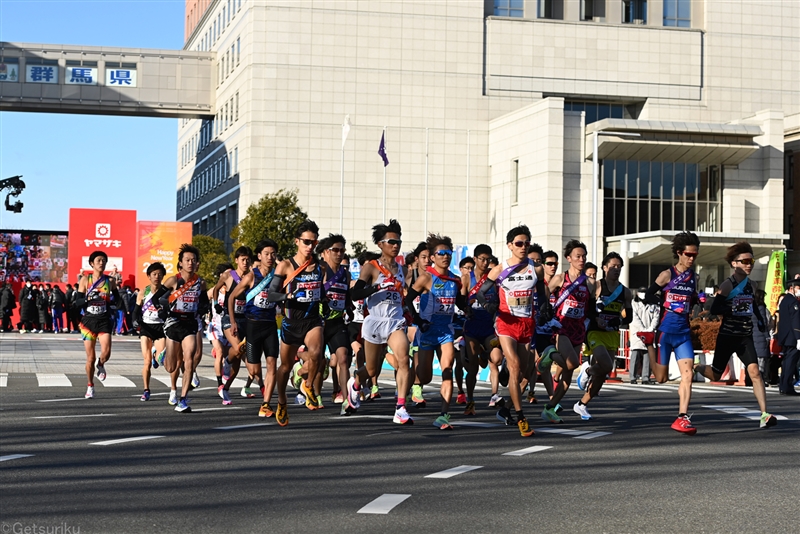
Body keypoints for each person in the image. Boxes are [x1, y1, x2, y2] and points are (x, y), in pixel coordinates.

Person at [475, 225, 548, 437]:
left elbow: (541, 293)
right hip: (506, 322)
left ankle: (506, 407)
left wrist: (544, 309)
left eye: (527, 243)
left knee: (525, 373)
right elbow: (481, 294)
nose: (523, 247)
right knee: (516, 367)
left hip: (527, 323)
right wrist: (490, 307)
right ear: (510, 246)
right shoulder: (499, 269)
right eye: (519, 243)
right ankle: (521, 417)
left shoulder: (536, 268)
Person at [350, 219, 414, 425]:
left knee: (404, 360)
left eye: (398, 242)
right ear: (380, 244)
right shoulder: (371, 267)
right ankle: (356, 384)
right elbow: (355, 293)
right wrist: (376, 288)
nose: (395, 246)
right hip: (375, 321)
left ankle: (401, 408)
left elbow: (407, 296)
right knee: (372, 370)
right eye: (391, 242)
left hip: (395, 321)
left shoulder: (404, 271)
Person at [405, 233, 472, 430]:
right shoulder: (426, 278)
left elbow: (459, 302)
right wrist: (418, 321)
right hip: (427, 331)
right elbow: (409, 300)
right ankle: (408, 390)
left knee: (447, 370)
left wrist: (467, 308)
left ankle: (444, 415)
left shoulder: (455, 279)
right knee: (424, 377)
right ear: (432, 257)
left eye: (448, 253)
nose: (445, 256)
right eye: (441, 253)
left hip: (446, 330)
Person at [268, 220, 327, 425]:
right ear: (297, 242)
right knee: (285, 366)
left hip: (312, 320)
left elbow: (321, 291)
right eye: (306, 242)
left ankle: (308, 385)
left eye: (313, 242)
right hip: (291, 322)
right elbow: (271, 294)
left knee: (317, 353)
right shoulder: (286, 265)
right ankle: (282, 401)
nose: (310, 246)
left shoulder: (319, 267)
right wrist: (288, 297)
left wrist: (325, 302)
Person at [645, 231, 701, 434]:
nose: (692, 259)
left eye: (695, 255)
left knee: (688, 375)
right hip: (665, 332)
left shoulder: (694, 276)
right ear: (679, 253)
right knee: (661, 379)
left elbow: (692, 297)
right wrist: (666, 302)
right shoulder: (667, 275)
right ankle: (649, 344)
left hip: (683, 333)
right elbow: (648, 295)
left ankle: (682, 417)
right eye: (688, 255)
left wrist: (698, 301)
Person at [538, 240, 595, 424]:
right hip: (561, 327)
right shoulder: (561, 278)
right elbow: (544, 296)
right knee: (571, 364)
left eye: (584, 256)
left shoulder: (590, 283)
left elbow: (590, 307)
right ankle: (550, 354)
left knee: (568, 377)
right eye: (578, 256)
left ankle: (549, 408)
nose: (581, 259)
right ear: (569, 258)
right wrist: (546, 311)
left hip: (578, 329)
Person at [575, 252, 633, 420]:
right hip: (595, 331)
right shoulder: (596, 286)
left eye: (619, 267)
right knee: (605, 364)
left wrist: (618, 319)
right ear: (604, 268)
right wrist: (597, 318)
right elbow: (588, 308)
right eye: (613, 266)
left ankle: (582, 404)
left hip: (611, 333)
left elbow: (628, 316)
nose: (616, 270)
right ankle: (587, 370)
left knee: (604, 373)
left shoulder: (625, 292)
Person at [227, 239, 281, 418]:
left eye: (273, 254)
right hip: (252, 326)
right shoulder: (251, 276)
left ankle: (266, 404)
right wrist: (233, 322)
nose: (270, 257)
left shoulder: (277, 275)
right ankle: (230, 356)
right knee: (254, 370)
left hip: (270, 325)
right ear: (259, 256)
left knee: (272, 364)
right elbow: (231, 297)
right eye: (266, 254)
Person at [154, 244, 209, 412]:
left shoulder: (201, 282)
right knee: (171, 367)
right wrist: (162, 310)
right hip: (174, 322)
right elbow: (156, 298)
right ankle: (161, 354)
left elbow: (205, 302)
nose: (190, 263)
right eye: (187, 260)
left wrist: (202, 309)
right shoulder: (173, 280)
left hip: (190, 323)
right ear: (181, 263)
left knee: (190, 358)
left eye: (193, 260)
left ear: (197, 263)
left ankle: (183, 399)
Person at [461, 244, 504, 414]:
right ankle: (470, 401)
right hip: (471, 327)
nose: (485, 263)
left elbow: (500, 301)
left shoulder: (493, 279)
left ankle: (485, 353)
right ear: (475, 259)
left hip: (488, 327)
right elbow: (460, 301)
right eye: (482, 259)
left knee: (497, 358)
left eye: (488, 259)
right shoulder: (467, 278)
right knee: (472, 368)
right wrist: (467, 308)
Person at [75, 251, 118, 399]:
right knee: (90, 358)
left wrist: (113, 305)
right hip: (88, 322)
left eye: (104, 261)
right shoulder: (85, 280)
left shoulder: (110, 281)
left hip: (104, 320)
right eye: (99, 260)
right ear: (92, 263)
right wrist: (89, 298)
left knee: (106, 352)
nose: (102, 263)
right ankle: (90, 385)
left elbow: (117, 300)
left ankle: (101, 364)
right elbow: (77, 302)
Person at [213, 246, 253, 405]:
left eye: (248, 259)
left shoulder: (252, 277)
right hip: (229, 317)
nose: (245, 262)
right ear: (236, 260)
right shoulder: (228, 276)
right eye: (242, 259)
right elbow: (216, 289)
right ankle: (226, 363)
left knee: (237, 360)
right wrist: (216, 303)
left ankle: (226, 388)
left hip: (245, 319)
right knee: (237, 348)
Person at [132, 262, 168, 402]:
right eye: (154, 274)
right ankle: (146, 390)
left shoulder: (166, 293)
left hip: (160, 327)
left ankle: (156, 354)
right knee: (146, 362)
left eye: (160, 274)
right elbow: (135, 311)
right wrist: (135, 322)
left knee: (162, 358)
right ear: (149, 276)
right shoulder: (143, 292)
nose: (157, 277)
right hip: (146, 327)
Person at [629, 286, 659, 384]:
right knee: (636, 354)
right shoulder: (634, 304)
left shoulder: (654, 305)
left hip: (649, 332)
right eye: (641, 292)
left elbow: (656, 317)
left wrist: (650, 329)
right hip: (637, 333)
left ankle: (646, 377)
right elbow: (635, 318)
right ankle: (632, 377)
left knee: (648, 354)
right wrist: (643, 330)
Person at [775, 278, 800, 396]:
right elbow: (796, 321)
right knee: (790, 362)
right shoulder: (793, 302)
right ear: (792, 288)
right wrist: (799, 337)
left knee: (786, 362)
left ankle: (783, 386)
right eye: (798, 288)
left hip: (785, 336)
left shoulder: (785, 300)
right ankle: (787, 386)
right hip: (793, 336)